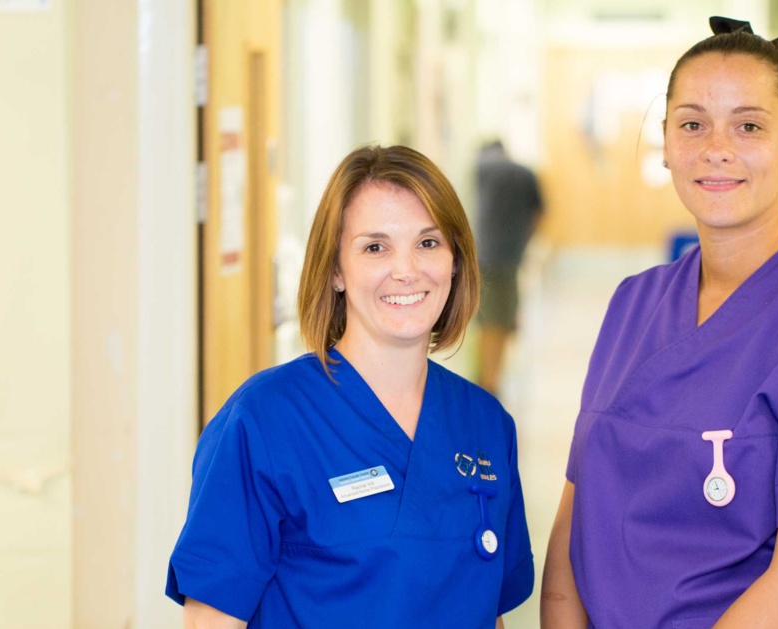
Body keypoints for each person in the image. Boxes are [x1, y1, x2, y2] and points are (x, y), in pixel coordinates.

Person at [541, 17, 778, 629]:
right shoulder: (634, 303)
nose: (717, 148)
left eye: (749, 125)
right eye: (692, 124)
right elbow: (574, 523)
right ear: (666, 141)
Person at [167, 145, 535, 628]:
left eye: (428, 243)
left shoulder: (485, 424)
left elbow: (488, 611)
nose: (407, 270)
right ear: (336, 270)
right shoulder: (264, 422)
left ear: (456, 261)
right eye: (375, 247)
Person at [473, 140, 544, 394]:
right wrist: (523, 244)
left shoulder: (479, 168)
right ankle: (492, 379)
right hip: (511, 258)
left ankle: (490, 381)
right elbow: (538, 215)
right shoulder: (525, 173)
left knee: (489, 321)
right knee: (501, 320)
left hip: (482, 258)